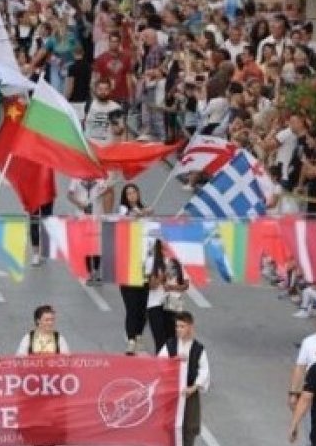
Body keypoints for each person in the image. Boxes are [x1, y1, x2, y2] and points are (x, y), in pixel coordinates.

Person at [157, 311, 209, 446]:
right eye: (177, 326)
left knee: (189, 426)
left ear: (190, 327)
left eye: (182, 326)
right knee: (170, 425)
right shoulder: (170, 345)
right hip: (173, 393)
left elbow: (204, 370)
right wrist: (172, 362)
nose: (178, 330)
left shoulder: (198, 349)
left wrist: (194, 387)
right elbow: (160, 364)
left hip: (189, 393)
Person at [118, 184, 153, 354]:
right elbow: (127, 218)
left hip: (145, 266)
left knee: (143, 306)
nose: (132, 195)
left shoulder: (145, 212)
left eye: (134, 192)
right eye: (128, 192)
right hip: (128, 267)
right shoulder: (123, 211)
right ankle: (131, 339)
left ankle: (139, 335)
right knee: (131, 306)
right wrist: (139, 214)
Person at [146, 238, 188, 353]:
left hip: (173, 302)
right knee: (160, 340)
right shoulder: (152, 261)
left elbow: (185, 285)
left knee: (172, 340)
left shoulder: (177, 260)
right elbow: (151, 286)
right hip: (154, 304)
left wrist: (172, 287)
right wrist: (162, 276)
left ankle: (170, 367)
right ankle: (160, 367)